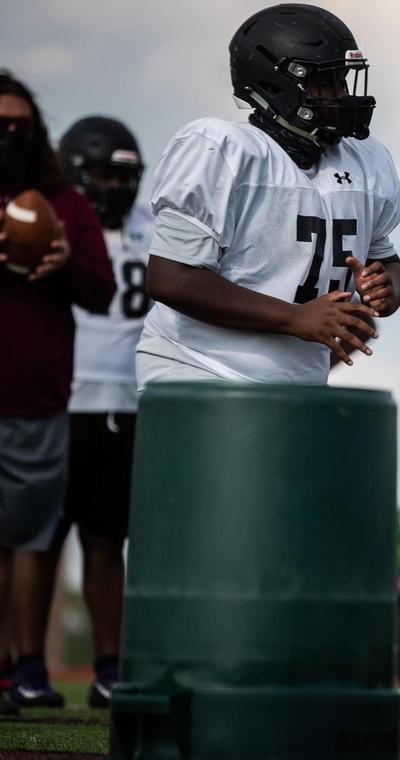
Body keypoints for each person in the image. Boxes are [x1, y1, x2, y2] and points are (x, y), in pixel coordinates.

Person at [135, 3, 400, 391]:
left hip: (298, 384)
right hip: (199, 368)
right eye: (324, 82)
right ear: (276, 86)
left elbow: (389, 263)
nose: (341, 94)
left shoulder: (366, 160)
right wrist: (293, 318)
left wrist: (387, 287)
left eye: (343, 80)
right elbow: (172, 278)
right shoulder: (221, 149)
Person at [0, 71, 115, 713]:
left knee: (30, 541)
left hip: (36, 397)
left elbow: (101, 291)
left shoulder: (63, 201)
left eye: (21, 126)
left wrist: (64, 258)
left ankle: (25, 672)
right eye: (0, 127)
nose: (10, 138)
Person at [54, 115, 154, 708]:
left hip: (128, 400)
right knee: (34, 542)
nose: (115, 189)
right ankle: (22, 667)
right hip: (60, 399)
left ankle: (108, 667)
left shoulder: (154, 227)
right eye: (99, 176)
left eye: (125, 177)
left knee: (104, 540)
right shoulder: (52, 220)